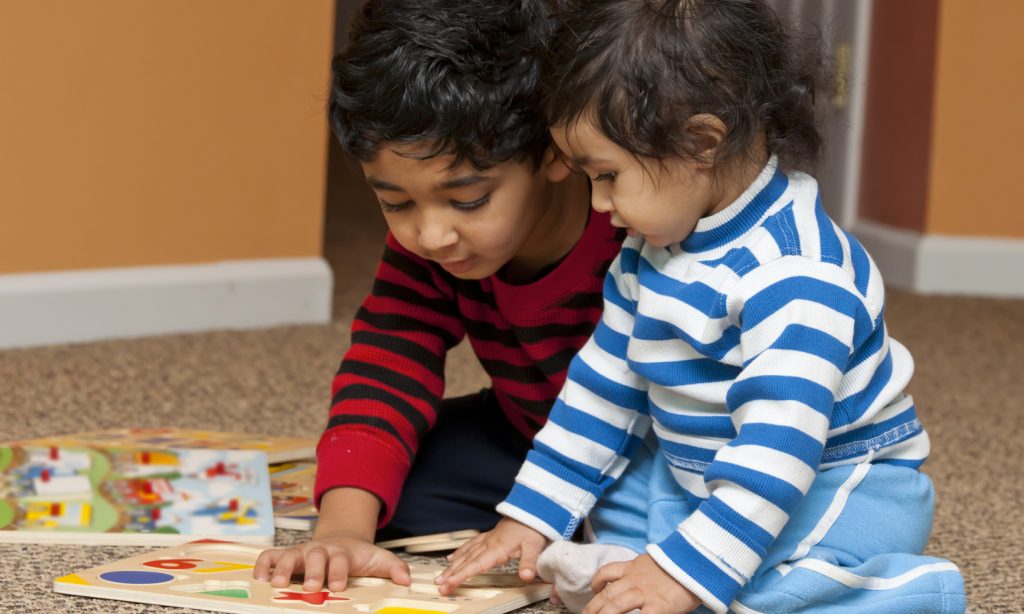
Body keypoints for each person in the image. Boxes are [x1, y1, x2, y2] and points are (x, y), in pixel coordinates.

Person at [436, 1, 967, 612]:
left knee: (746, 593)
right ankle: (660, 565)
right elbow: (602, 390)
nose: (598, 203)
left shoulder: (797, 274)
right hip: (701, 469)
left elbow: (779, 448)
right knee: (626, 490)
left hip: (834, 484)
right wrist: (532, 516)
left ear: (701, 144)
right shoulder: (646, 250)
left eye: (608, 176)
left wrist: (684, 574)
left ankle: (914, 594)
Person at [252, 0, 624, 596]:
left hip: (659, 454)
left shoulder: (634, 224)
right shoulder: (434, 250)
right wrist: (345, 531)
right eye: (396, 203)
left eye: (468, 199)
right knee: (381, 492)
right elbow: (388, 361)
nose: (431, 234)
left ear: (555, 148)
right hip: (530, 433)